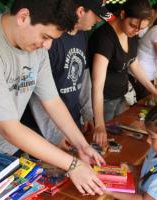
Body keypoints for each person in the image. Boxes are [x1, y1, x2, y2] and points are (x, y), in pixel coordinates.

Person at [0, 0, 106, 196]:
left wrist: (81, 145)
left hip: (6, 154)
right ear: (23, 17)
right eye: (45, 36)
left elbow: (52, 100)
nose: (47, 46)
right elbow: (9, 129)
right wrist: (73, 164)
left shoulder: (37, 48)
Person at [21, 0, 111, 148]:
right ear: (81, 11)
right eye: (95, 15)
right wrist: (55, 134)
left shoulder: (82, 36)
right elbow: (36, 91)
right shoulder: (49, 39)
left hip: (71, 123)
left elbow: (84, 76)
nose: (99, 20)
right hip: (42, 128)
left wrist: (87, 112)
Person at [89, 0, 157, 147]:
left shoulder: (131, 35)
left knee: (120, 140)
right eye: (133, 25)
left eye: (141, 29)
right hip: (103, 102)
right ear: (122, 14)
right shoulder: (105, 38)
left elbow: (134, 64)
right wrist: (99, 124)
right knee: (103, 142)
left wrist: (154, 91)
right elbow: (97, 85)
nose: (136, 31)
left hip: (120, 97)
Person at [105, 100, 157, 200]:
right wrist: (133, 168)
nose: (148, 140)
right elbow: (150, 168)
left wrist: (111, 192)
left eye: (152, 138)